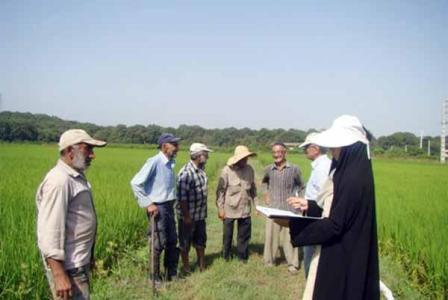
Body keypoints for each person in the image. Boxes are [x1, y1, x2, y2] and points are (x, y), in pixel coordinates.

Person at [286, 115, 380, 300]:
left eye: (336, 146)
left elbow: (336, 223)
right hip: (341, 250)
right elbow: (335, 207)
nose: (332, 151)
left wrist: (295, 225)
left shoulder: (353, 179)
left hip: (343, 255)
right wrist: (310, 206)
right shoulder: (349, 173)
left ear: (349, 148)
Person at [36, 129, 107, 300]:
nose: (92, 155)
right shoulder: (59, 181)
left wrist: (89, 255)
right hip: (68, 268)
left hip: (78, 263)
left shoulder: (74, 177)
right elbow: (50, 230)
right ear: (70, 151)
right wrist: (59, 275)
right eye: (87, 149)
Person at [130, 133, 181, 287]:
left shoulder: (170, 163)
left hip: (169, 206)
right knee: (158, 242)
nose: (177, 148)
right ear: (165, 146)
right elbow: (135, 183)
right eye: (174, 145)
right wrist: (148, 203)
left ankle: (171, 272)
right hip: (157, 207)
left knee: (172, 240)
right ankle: (154, 277)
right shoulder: (154, 162)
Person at [261, 142, 304, 274]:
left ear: (285, 152)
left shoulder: (294, 169)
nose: (276, 155)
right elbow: (264, 182)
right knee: (270, 237)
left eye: (279, 152)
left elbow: (302, 186)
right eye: (274, 152)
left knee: (290, 238)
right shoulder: (269, 169)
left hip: (289, 209)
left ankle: (292, 263)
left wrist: (300, 202)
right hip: (273, 208)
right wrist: (266, 194)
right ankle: (269, 262)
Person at [297, 133, 332, 278]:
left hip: (316, 216)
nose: (305, 151)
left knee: (311, 257)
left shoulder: (323, 167)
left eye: (306, 147)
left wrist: (307, 204)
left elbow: (325, 198)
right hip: (312, 213)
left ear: (315, 148)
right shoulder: (319, 166)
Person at [216, 145, 257, 262]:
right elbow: (220, 191)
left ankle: (242, 257)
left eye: (247, 158)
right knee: (227, 235)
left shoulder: (250, 170)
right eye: (243, 158)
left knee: (244, 235)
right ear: (237, 159)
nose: (245, 160)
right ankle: (226, 256)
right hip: (230, 208)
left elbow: (253, 189)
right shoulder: (227, 170)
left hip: (245, 208)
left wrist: (256, 205)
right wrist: (220, 208)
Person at [176, 143, 212, 274]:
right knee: (185, 243)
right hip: (188, 216)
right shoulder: (186, 173)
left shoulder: (201, 170)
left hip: (200, 215)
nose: (207, 156)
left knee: (201, 241)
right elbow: (182, 198)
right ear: (198, 155)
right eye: (205, 154)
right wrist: (186, 217)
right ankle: (186, 268)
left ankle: (202, 266)